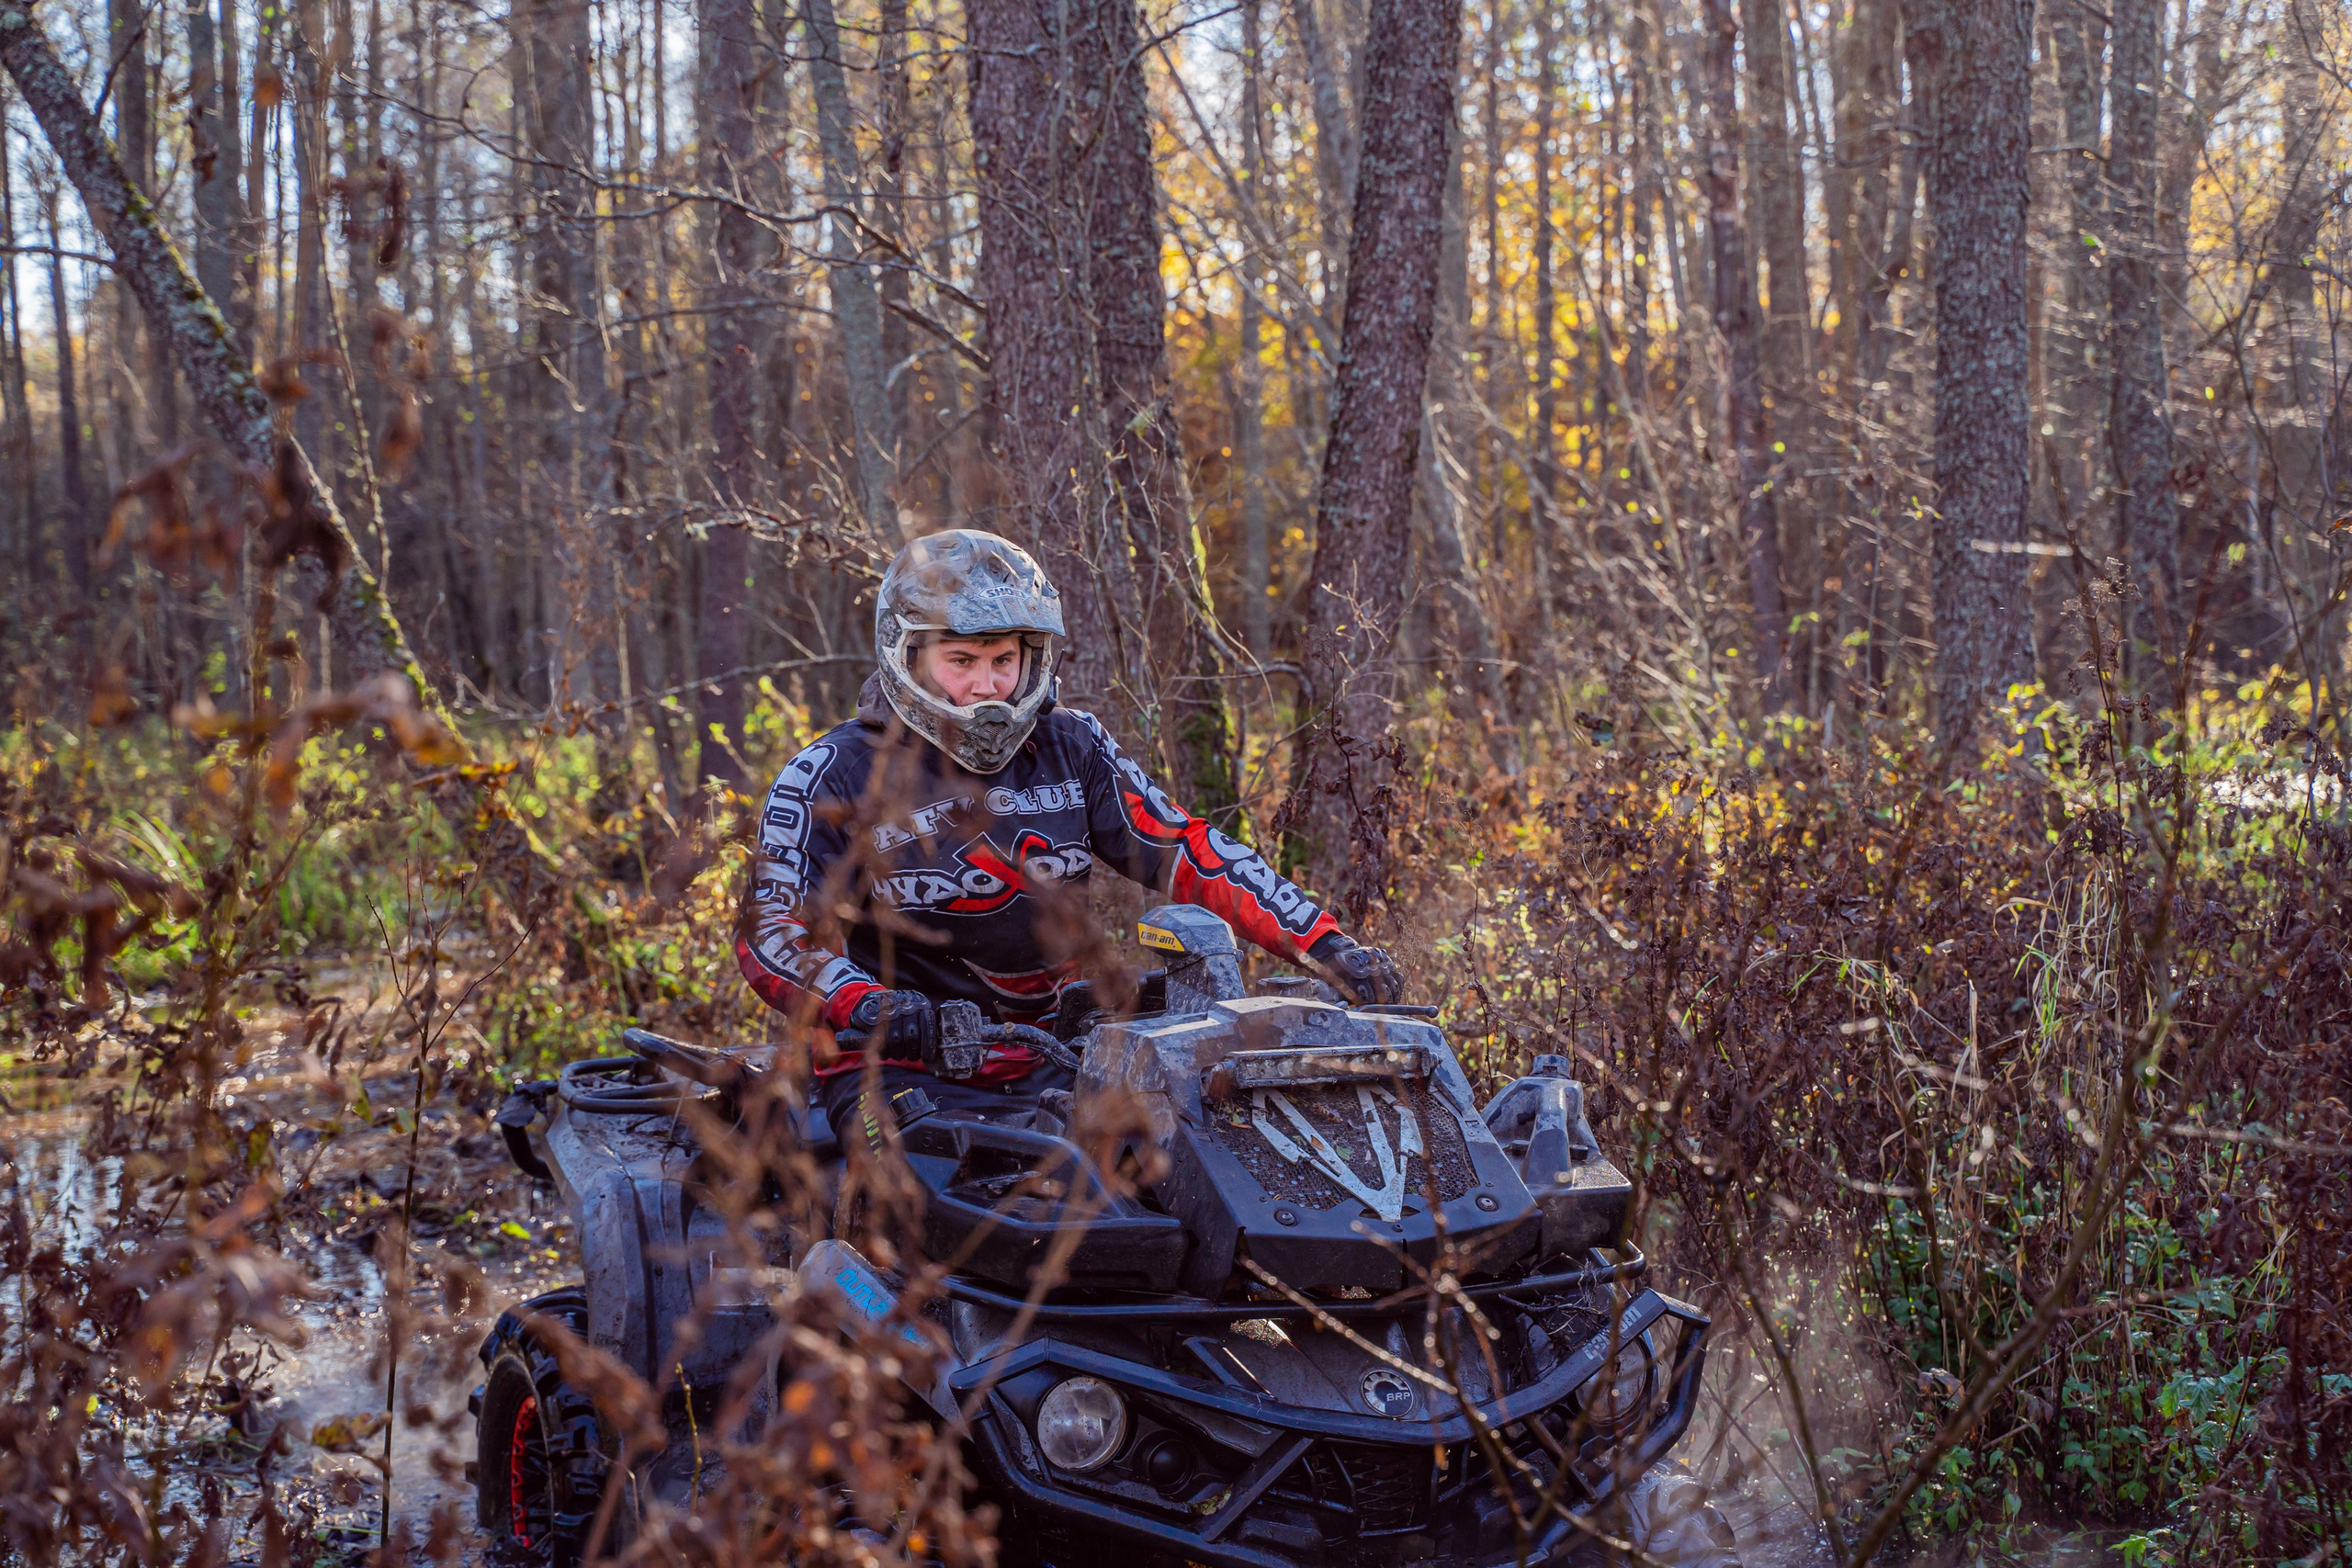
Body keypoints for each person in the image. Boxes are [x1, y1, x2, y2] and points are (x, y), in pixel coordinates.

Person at [736, 528, 1402, 1134]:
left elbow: (1187, 851)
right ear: (905, 655)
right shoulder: (831, 773)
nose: (986, 686)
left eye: (1003, 660)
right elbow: (770, 931)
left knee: (1178, 1187)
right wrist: (868, 1005)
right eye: (960, 660)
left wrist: (1325, 945)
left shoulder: (1071, 744)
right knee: (937, 1206)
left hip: (1059, 1058)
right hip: (892, 1070)